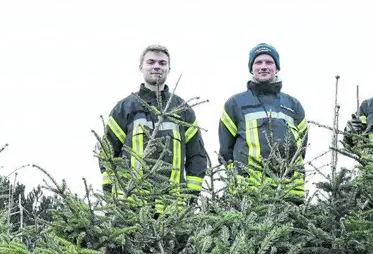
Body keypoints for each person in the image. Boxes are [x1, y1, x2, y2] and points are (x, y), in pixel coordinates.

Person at [99, 44, 209, 206]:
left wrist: (191, 197)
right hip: (131, 204)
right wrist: (111, 195)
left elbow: (196, 156)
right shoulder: (124, 108)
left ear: (168, 69)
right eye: (151, 62)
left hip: (172, 206)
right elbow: (108, 153)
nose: (156, 66)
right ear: (141, 67)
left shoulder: (182, 110)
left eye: (162, 63)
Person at [218, 43, 307, 199]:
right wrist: (237, 176)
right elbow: (226, 149)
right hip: (248, 191)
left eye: (269, 62)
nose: (263, 67)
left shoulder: (293, 105)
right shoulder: (235, 103)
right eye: (258, 63)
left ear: (277, 68)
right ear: (251, 68)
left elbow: (302, 146)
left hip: (289, 191)